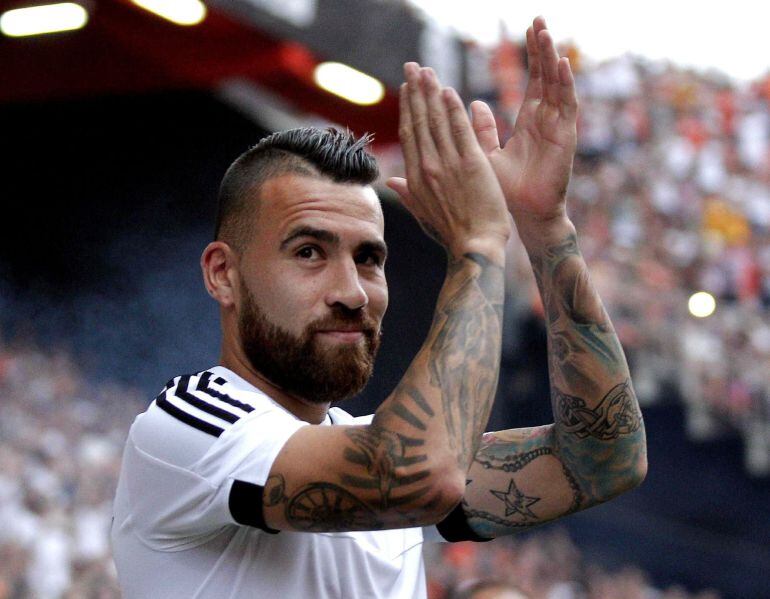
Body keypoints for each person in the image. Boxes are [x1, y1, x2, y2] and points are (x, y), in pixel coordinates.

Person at [111, 17, 646, 599]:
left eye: (369, 258)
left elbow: (602, 460)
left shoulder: (370, 442)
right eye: (310, 252)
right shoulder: (189, 426)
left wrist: (545, 227)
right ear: (223, 275)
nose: (353, 290)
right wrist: (479, 243)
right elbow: (419, 475)